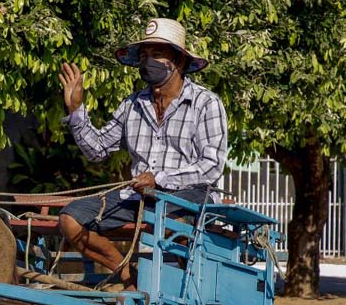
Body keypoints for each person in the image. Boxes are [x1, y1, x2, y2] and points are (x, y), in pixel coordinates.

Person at [58, 17, 228, 289]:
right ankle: (127, 275)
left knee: (170, 220)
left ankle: (174, 286)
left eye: (158, 54)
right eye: (145, 55)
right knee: (70, 219)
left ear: (180, 62)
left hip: (190, 196)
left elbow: (211, 166)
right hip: (139, 197)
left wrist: (159, 179)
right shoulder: (132, 105)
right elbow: (97, 150)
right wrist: (76, 110)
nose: (149, 61)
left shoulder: (206, 103)